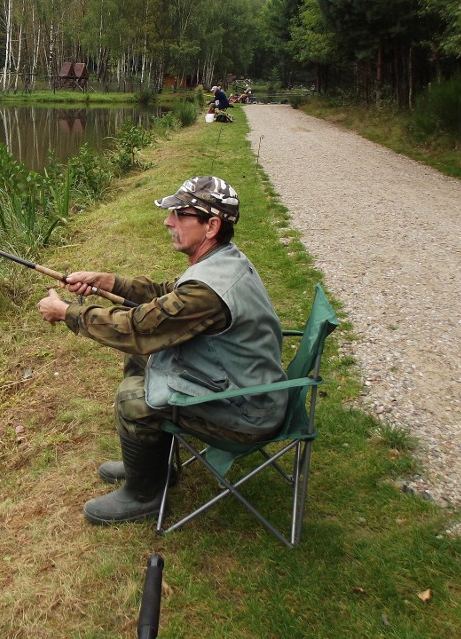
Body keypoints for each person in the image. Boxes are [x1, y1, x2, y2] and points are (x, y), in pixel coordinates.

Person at [36, 176, 287, 526]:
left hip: (247, 411)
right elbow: (165, 295)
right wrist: (107, 282)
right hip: (237, 382)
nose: (168, 222)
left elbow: (138, 327)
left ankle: (145, 495)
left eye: (180, 215)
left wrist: (68, 313)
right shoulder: (222, 260)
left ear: (212, 225)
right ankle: (151, 461)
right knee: (143, 356)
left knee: (133, 399)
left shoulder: (208, 290)